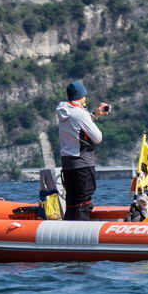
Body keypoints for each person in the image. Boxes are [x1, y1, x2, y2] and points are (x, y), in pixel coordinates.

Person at [56, 79, 110, 220]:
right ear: (82, 96)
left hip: (68, 163)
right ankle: (80, 231)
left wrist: (94, 114)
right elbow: (98, 137)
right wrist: (89, 116)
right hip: (82, 163)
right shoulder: (80, 114)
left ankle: (67, 230)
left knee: (71, 202)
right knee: (83, 201)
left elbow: (77, 124)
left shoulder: (64, 111)